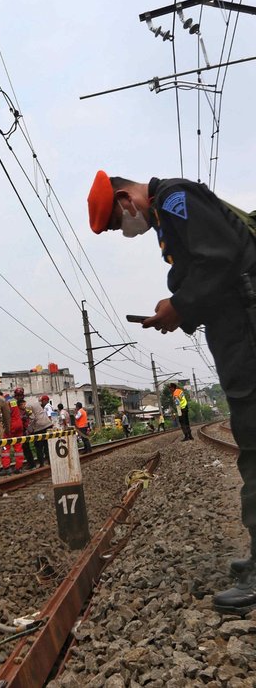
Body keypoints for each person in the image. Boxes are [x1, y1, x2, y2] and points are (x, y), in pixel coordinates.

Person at [87, 168, 256, 614]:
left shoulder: (174, 199)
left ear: (124, 199)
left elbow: (222, 258)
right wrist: (179, 308)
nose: (122, 231)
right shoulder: (168, 212)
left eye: (115, 223)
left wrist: (179, 305)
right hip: (240, 331)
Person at [1, 396, 24, 475]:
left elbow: (6, 414)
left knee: (5, 446)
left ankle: (6, 467)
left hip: (11, 425)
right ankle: (19, 467)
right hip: (19, 424)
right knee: (18, 447)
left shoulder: (5, 402)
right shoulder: (13, 400)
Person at [27, 397, 53, 466]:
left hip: (39, 427)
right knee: (47, 445)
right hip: (48, 424)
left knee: (39, 447)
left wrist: (30, 429)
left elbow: (32, 418)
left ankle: (41, 464)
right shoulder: (36, 403)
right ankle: (50, 462)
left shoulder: (27, 407)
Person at [14, 387, 36, 469]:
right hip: (18, 429)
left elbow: (31, 417)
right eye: (17, 395)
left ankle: (31, 464)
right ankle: (28, 463)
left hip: (25, 429)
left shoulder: (25, 405)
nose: (19, 397)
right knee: (22, 447)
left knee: (26, 447)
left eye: (20, 395)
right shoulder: (15, 405)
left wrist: (28, 428)